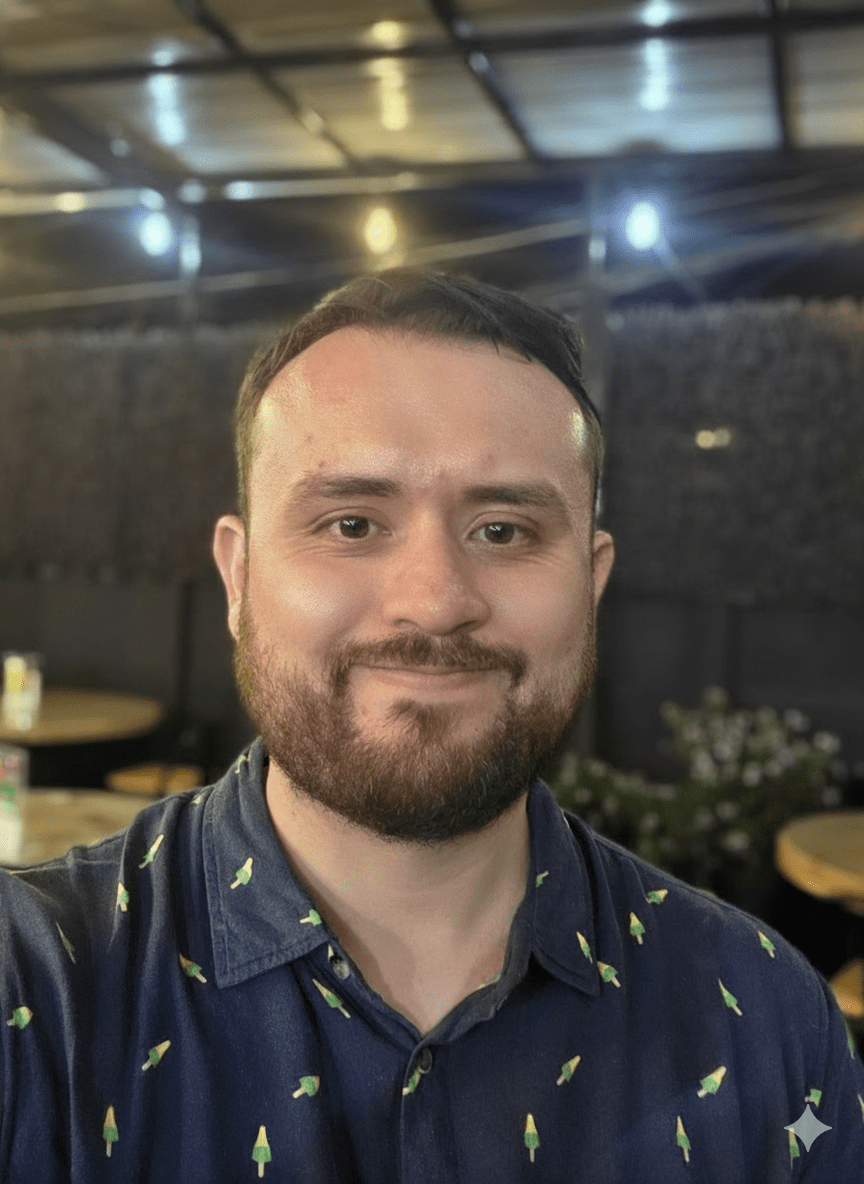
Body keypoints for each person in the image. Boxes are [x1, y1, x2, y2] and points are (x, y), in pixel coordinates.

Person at [1, 268, 862, 1183]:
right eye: (351, 523)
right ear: (239, 578)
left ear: (591, 581)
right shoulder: (34, 990)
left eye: (503, 531)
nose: (437, 601)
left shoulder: (768, 1021)